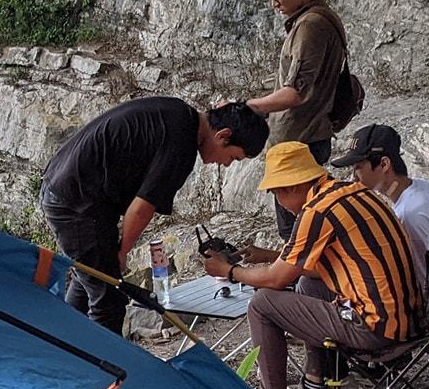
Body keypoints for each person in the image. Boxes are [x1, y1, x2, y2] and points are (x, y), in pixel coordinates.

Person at [201, 141, 420, 389]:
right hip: (409, 319)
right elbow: (316, 267)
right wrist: (269, 256)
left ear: (291, 187)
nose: (279, 203)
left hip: (377, 329)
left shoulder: (317, 211)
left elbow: (276, 279)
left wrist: (229, 270)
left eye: (276, 194)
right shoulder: (352, 192)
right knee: (308, 286)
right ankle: (315, 387)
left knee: (263, 304)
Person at [40, 98, 269, 333]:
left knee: (91, 278)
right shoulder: (182, 144)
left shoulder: (179, 114)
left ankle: (61, 346)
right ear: (223, 135)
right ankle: (103, 367)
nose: (226, 165)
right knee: (109, 300)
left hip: (70, 190)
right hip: (76, 203)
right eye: (233, 157)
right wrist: (122, 252)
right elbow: (142, 208)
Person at [242, 0, 348, 241]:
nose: (275, 2)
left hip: (300, 147)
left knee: (298, 238)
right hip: (304, 141)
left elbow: (296, 93)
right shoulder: (318, 19)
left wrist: (248, 106)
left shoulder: (311, 25)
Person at [332, 124, 429, 319]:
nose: (354, 177)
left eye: (358, 167)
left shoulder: (407, 214)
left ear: (384, 165)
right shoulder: (424, 188)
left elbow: (402, 275)